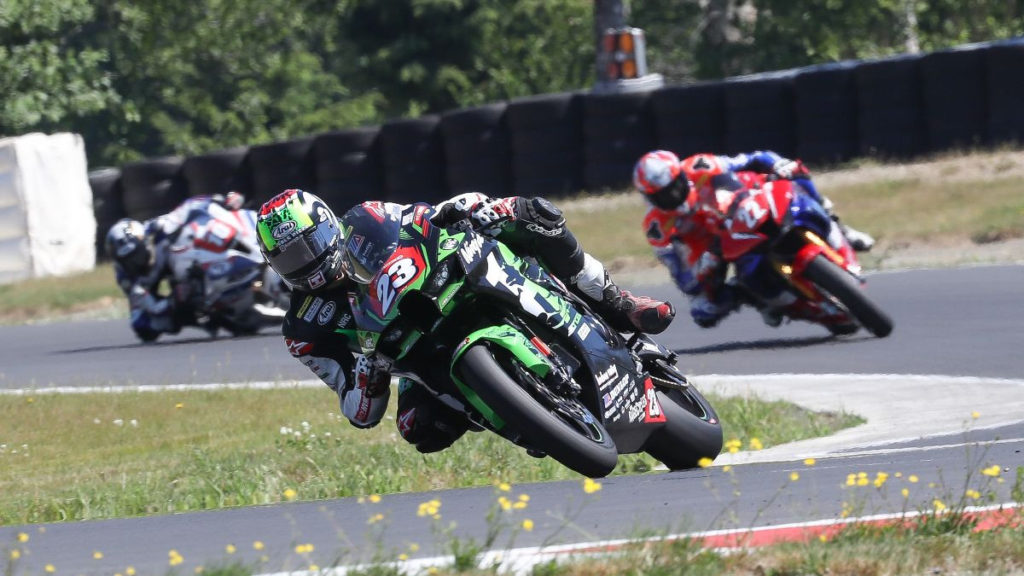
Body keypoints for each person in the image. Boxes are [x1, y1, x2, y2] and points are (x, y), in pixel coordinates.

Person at [256, 189, 675, 454]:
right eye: (289, 259)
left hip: (447, 281)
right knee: (418, 430)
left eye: (308, 247)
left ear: (328, 228)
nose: (305, 265)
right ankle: (524, 412)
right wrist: (368, 372)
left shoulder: (366, 219)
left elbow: (421, 216)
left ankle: (619, 303)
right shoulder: (302, 329)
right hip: (410, 352)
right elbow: (358, 411)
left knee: (532, 214)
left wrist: (465, 208)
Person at [632, 149, 874, 328]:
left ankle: (838, 226)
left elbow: (757, 158)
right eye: (663, 195)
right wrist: (706, 265)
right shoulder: (657, 228)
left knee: (797, 175)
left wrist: (780, 165)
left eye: (674, 186)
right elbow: (683, 279)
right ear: (649, 198)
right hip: (718, 248)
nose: (673, 196)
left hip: (747, 206)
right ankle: (762, 300)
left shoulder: (701, 165)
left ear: (681, 175)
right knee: (704, 310)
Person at [105, 191, 245, 341]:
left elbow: (189, 206)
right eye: (129, 259)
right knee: (143, 326)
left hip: (186, 259)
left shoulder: (157, 228)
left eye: (136, 254)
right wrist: (173, 301)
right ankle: (213, 316)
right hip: (175, 299)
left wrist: (220, 200)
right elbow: (146, 308)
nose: (135, 262)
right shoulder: (127, 277)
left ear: (144, 242)